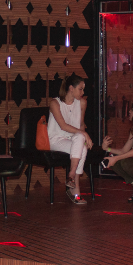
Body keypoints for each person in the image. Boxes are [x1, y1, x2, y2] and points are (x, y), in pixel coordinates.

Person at [48, 74, 92, 205]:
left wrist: (83, 136)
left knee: (81, 142)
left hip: (73, 139)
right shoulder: (55, 103)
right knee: (82, 145)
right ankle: (75, 189)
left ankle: (71, 176)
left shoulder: (82, 103)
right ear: (71, 88)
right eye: (80, 89)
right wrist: (85, 135)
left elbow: (81, 124)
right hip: (56, 140)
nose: (83, 92)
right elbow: (63, 126)